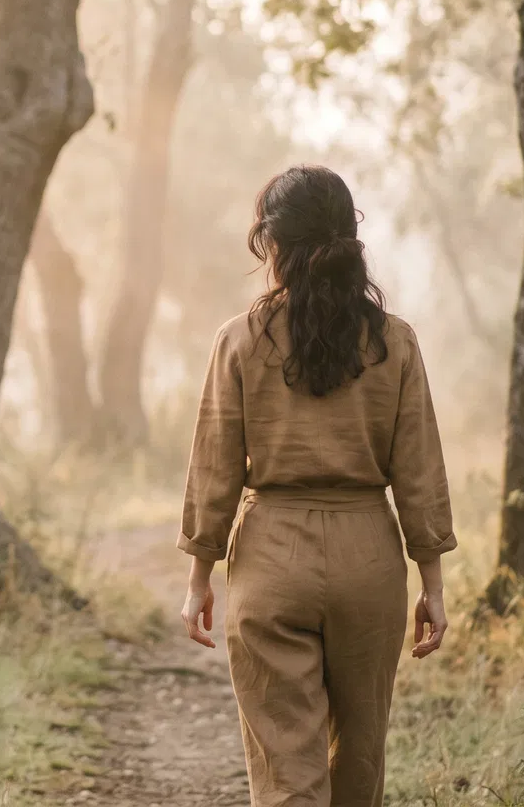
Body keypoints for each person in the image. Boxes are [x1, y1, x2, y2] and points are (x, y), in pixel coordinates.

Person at [178, 164, 455, 807]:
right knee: (360, 761)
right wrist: (433, 584)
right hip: (370, 563)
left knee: (285, 771)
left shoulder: (240, 339)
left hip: (273, 561)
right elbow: (420, 470)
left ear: (270, 244)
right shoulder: (395, 342)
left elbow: (214, 466)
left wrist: (198, 577)